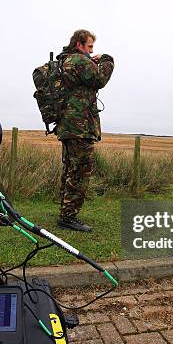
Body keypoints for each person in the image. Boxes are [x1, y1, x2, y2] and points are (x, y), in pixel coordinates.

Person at [55, 29, 114, 232]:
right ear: (79, 44)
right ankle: (68, 217)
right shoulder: (79, 61)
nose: (91, 50)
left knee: (71, 169)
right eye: (89, 46)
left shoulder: (65, 61)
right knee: (80, 171)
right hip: (79, 126)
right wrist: (107, 60)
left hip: (68, 125)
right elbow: (100, 79)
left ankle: (64, 210)